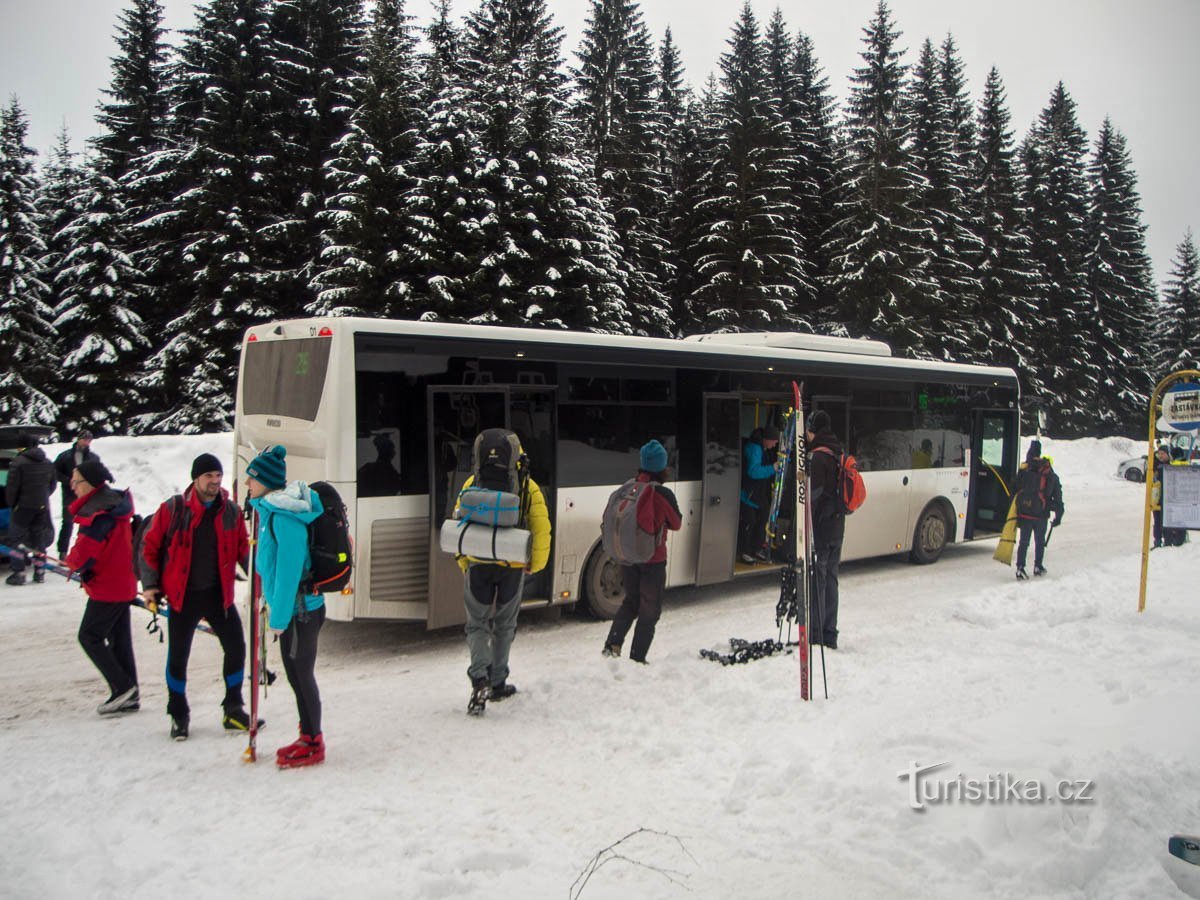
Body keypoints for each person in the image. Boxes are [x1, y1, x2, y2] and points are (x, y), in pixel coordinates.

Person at [140, 453, 254, 741]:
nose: (215, 482)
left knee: (237, 649)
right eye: (209, 477)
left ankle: (233, 709)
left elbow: (243, 550)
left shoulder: (230, 511)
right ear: (196, 478)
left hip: (219, 595)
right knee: (178, 657)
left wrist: (261, 578)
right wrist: (150, 585)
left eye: (218, 476)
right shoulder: (174, 509)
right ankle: (179, 714)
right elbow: (149, 548)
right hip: (184, 596)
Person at [455, 429, 551, 716]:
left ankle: (479, 679)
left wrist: (464, 561)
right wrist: (537, 563)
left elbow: (459, 520)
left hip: (478, 563)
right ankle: (498, 682)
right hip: (512, 566)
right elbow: (541, 527)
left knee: (476, 624)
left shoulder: (472, 482)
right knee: (504, 625)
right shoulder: (527, 486)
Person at [244, 445, 327, 768]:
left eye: (252, 479)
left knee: (302, 674)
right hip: (293, 608)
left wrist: (277, 617)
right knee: (296, 674)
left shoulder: (285, 519)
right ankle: (306, 733)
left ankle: (313, 740)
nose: (248, 485)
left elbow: (290, 572)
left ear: (265, 481)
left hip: (301, 609)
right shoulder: (270, 513)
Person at [65, 460, 140, 714]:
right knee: (119, 640)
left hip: (109, 586)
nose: (72, 487)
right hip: (121, 582)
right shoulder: (111, 505)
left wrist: (71, 563)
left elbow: (84, 552)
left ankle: (122, 687)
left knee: (89, 636)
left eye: (76, 481)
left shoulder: (98, 512)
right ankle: (129, 694)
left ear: (90, 484)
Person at [601, 440, 682, 664]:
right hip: (652, 560)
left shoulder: (630, 487)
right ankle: (637, 659)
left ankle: (612, 645)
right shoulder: (663, 494)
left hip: (628, 556)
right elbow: (676, 523)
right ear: (662, 467)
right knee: (650, 610)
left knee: (631, 602)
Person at [807, 410, 846, 650]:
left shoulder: (818, 457)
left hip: (821, 527)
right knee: (831, 578)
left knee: (818, 580)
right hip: (838, 526)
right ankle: (830, 632)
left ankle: (816, 634)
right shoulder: (838, 452)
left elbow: (813, 496)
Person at [5, 432, 56, 585]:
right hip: (41, 506)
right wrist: (43, 498)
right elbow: (52, 485)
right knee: (38, 538)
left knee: (16, 539)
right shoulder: (47, 461)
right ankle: (40, 570)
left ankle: (19, 572)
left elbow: (12, 488)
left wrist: (12, 504)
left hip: (23, 507)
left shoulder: (18, 462)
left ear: (22, 446)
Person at [1013, 440, 1064, 579]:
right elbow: (1058, 498)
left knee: (1023, 542)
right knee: (1040, 542)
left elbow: (1015, 488)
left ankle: (1020, 568)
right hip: (1041, 515)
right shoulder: (1049, 473)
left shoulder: (1024, 470)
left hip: (1025, 514)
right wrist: (1058, 516)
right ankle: (1037, 566)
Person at [53, 428, 100, 556]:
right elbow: (54, 472)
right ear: (78, 439)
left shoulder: (93, 457)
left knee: (85, 523)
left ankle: (80, 552)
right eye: (84, 439)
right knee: (67, 523)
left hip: (86, 495)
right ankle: (62, 551)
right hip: (69, 493)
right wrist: (68, 480)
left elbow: (99, 474)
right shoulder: (65, 456)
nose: (86, 442)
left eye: (89, 440)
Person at [738, 424, 779, 563]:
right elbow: (753, 471)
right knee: (750, 523)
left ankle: (756, 548)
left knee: (762, 521)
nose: (775, 444)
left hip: (758, 493)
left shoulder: (763, 448)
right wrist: (773, 468)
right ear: (767, 439)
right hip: (749, 494)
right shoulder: (755, 448)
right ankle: (746, 551)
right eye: (774, 441)